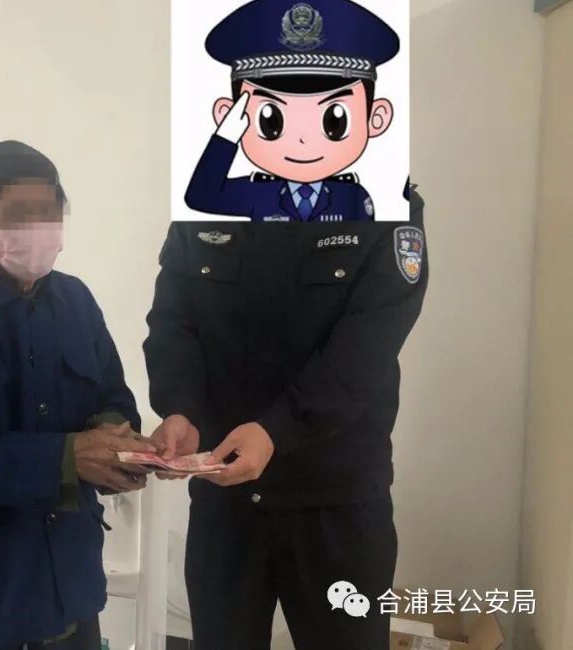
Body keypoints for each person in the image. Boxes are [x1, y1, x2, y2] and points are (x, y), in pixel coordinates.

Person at [146, 176, 428, 648]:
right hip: (228, 498)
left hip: (335, 501)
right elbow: (174, 318)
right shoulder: (209, 197)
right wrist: (181, 408)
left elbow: (368, 343)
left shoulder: (384, 201)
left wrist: (277, 430)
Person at [0, 140, 151, 649]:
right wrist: (68, 458)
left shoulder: (78, 302)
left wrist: (115, 440)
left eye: (51, 210)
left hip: (69, 574)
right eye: (21, 214)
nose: (40, 226)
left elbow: (113, 394)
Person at [184, 0, 402, 222]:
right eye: (271, 122)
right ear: (226, 114)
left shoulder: (351, 195)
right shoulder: (258, 193)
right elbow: (201, 197)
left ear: (376, 117)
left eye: (335, 123)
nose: (303, 140)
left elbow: (364, 243)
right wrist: (225, 138)